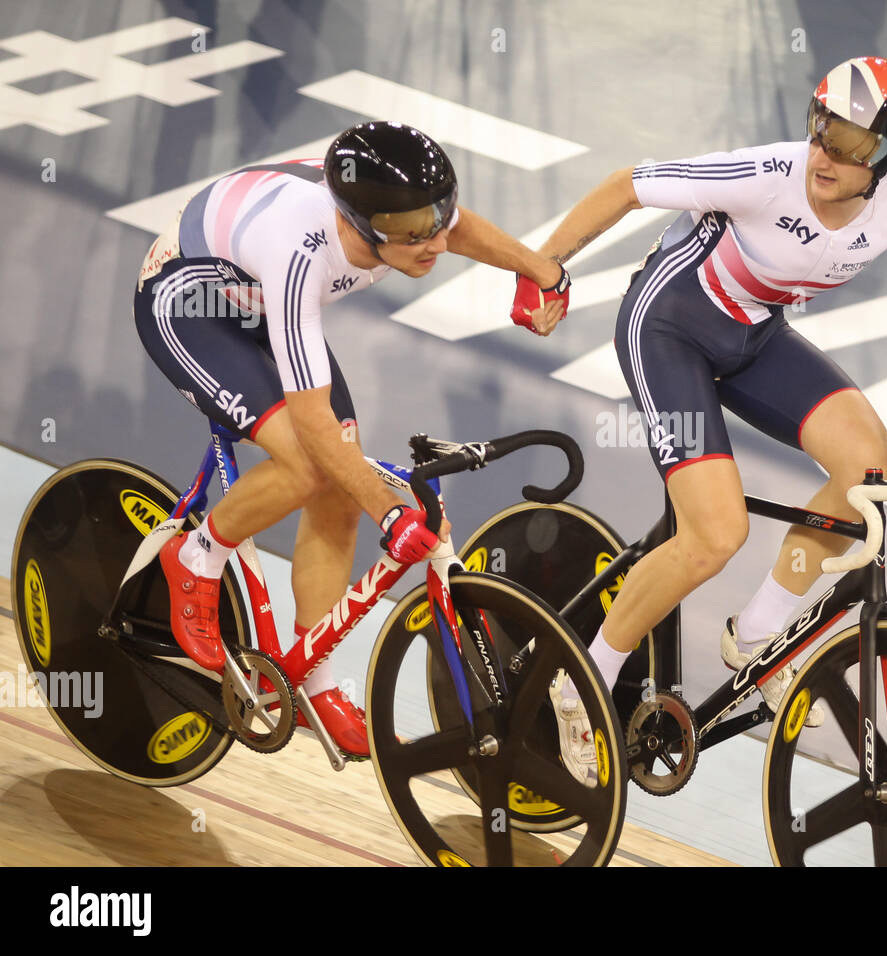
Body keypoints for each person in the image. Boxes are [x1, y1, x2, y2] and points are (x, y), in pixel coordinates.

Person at [511, 56, 887, 778]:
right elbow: (628, 185)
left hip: (754, 335)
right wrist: (544, 270)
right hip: (666, 331)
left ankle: (757, 635)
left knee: (869, 469)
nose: (826, 154)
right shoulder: (767, 172)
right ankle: (584, 680)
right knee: (716, 533)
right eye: (823, 129)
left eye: (853, 146)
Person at [134, 120, 570, 757]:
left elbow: (456, 226)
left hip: (265, 303)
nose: (432, 243)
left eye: (434, 219)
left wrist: (541, 271)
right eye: (410, 233)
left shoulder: (405, 218)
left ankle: (310, 678)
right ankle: (197, 557)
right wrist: (389, 510)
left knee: (339, 488)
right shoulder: (300, 249)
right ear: (362, 225)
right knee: (315, 467)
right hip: (189, 303)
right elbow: (313, 426)